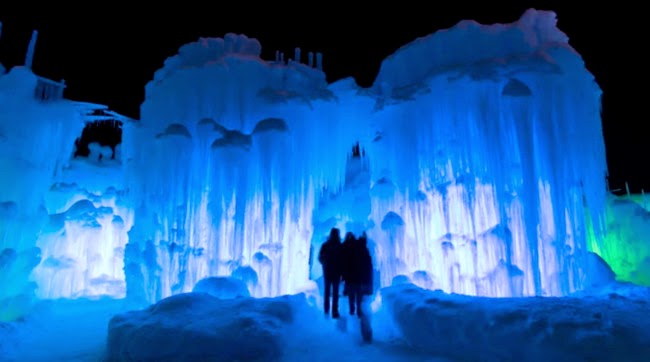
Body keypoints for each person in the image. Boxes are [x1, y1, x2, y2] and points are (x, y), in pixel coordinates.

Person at [344, 231, 373, 317]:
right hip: (358, 275)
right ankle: (358, 309)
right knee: (358, 292)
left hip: (350, 275)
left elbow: (344, 262)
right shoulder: (361, 247)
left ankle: (352, 309)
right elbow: (366, 262)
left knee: (351, 293)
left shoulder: (348, 247)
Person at [318, 227, 343, 318]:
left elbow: (320, 257)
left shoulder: (326, 245)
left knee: (328, 292)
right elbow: (343, 261)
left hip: (328, 272)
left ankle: (327, 310)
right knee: (334, 293)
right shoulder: (339, 246)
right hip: (335, 272)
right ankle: (334, 311)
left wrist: (325, 263)